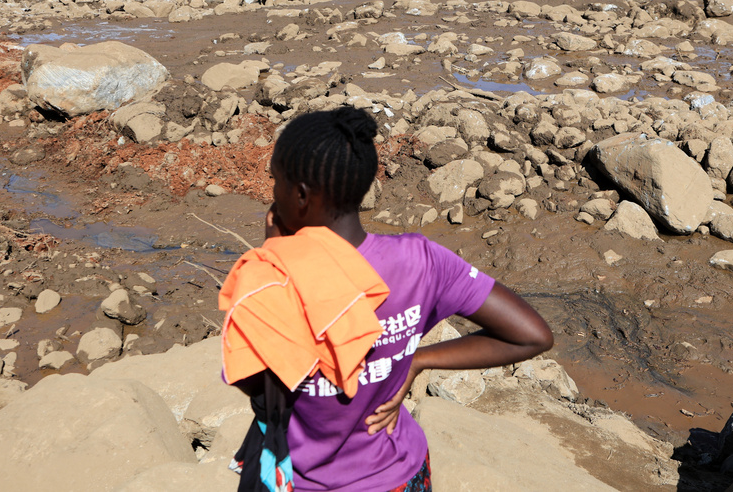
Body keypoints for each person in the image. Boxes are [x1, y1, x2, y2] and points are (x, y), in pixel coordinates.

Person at [228, 106, 553, 491]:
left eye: (276, 180)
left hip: (305, 480)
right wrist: (418, 359)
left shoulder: (269, 280)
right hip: (399, 473)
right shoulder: (421, 259)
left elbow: (254, 384)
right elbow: (532, 335)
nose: (272, 192)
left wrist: (274, 261)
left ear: (300, 195)